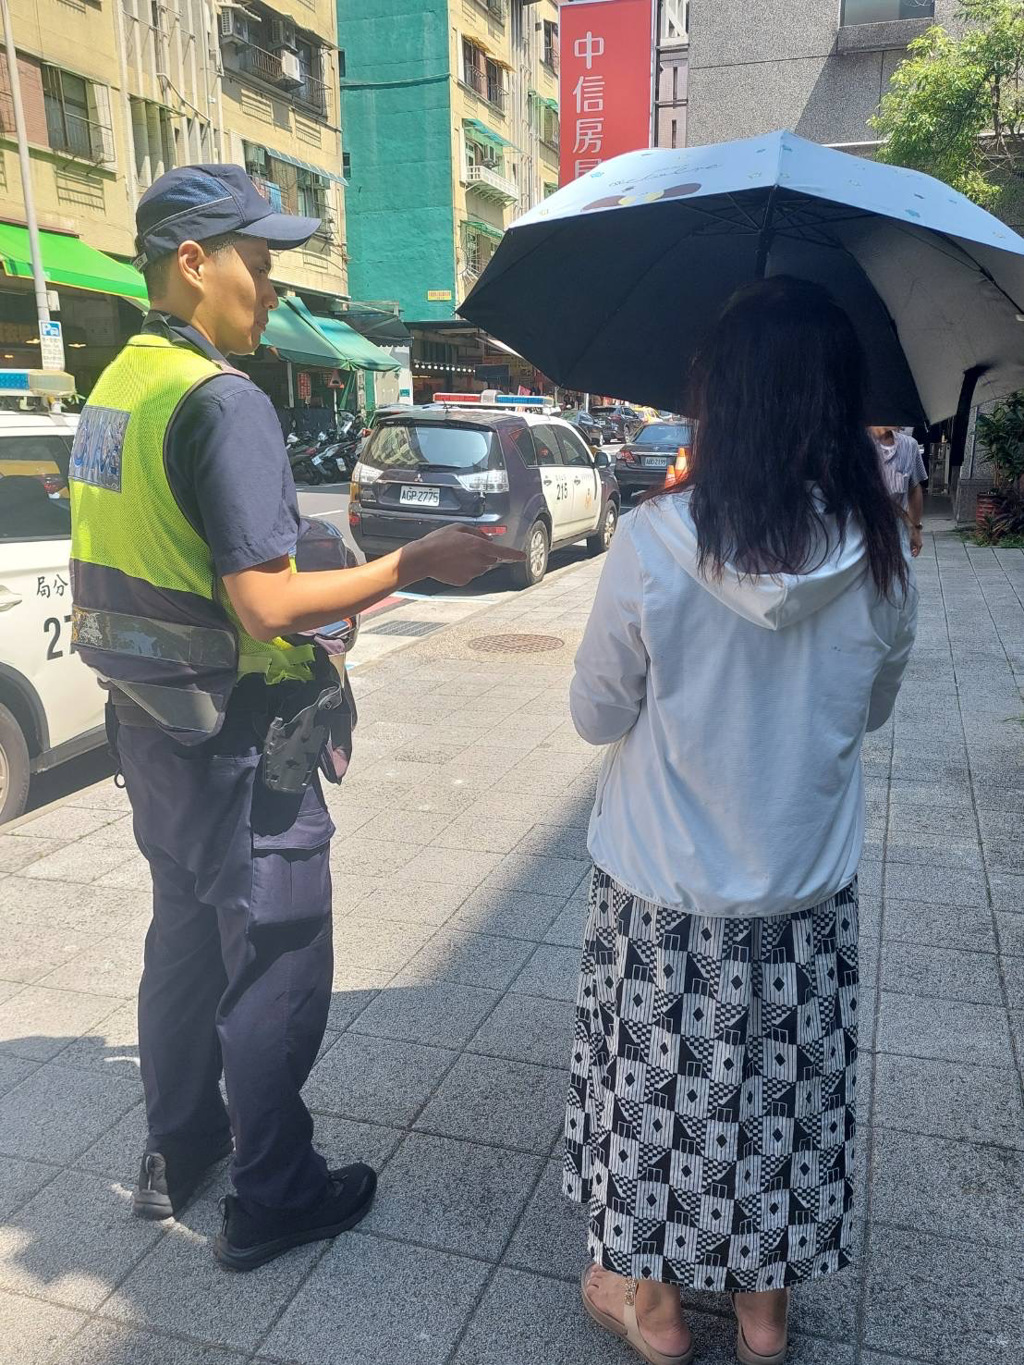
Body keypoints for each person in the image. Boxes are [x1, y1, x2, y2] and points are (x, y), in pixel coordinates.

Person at [68, 164, 522, 1270]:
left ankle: (180, 1150)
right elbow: (265, 601)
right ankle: (273, 1191)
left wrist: (315, 592)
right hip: (239, 743)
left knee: (182, 937)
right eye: (260, 267)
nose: (273, 291)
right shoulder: (223, 400)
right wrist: (408, 564)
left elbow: (181, 561)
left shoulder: (118, 384)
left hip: (151, 727)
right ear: (194, 262)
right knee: (272, 957)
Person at [564, 277, 917, 1365]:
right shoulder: (882, 558)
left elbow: (593, 713)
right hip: (802, 901)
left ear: (720, 401)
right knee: (781, 1101)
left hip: (664, 897)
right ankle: (765, 1316)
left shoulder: (654, 540)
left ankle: (655, 1308)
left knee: (655, 1093)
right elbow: (868, 713)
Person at [869, 425, 927, 557]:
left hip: (897, 532)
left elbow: (914, 488)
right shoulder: (854, 442)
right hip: (861, 532)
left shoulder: (910, 445)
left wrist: (916, 529)